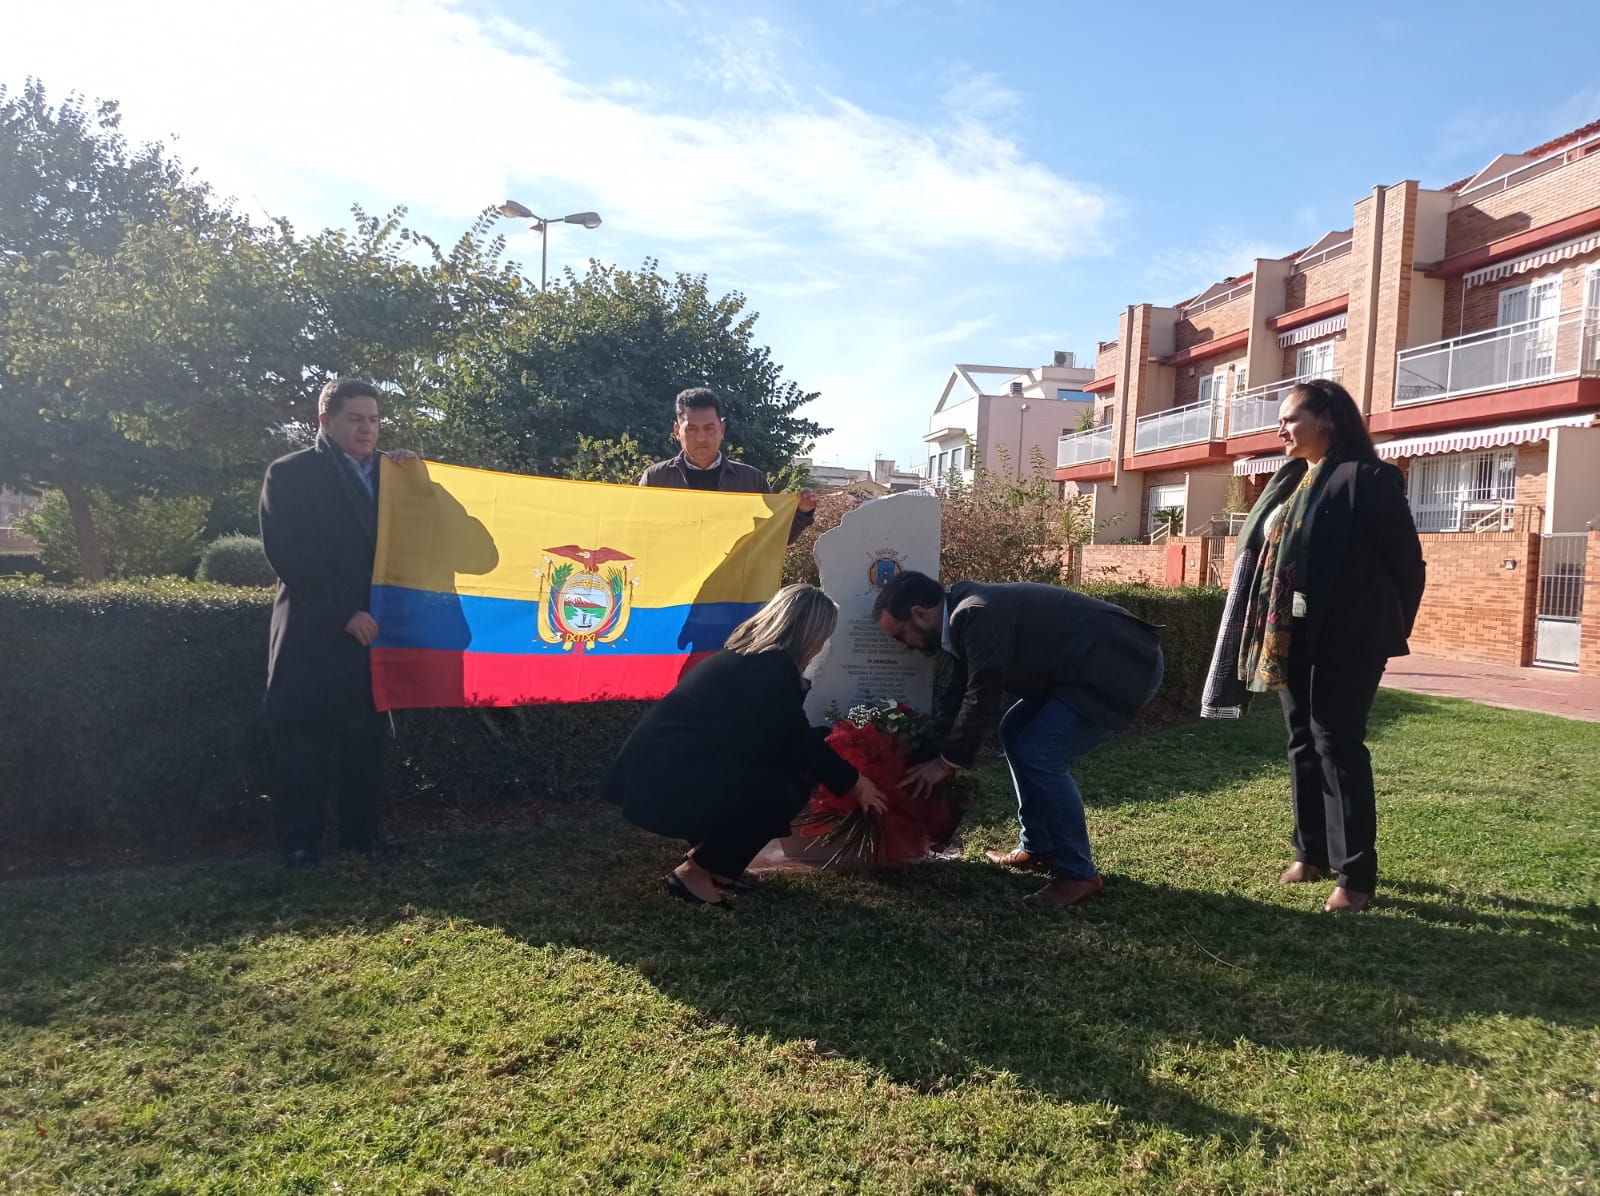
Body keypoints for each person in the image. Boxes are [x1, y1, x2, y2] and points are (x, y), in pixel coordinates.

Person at [1202, 378, 1424, 913]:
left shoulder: (1367, 479)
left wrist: (1382, 630)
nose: (1280, 428)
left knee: (1338, 746)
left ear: (1326, 417)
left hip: (1348, 638)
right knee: (1302, 740)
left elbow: (1407, 567)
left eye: (1290, 418)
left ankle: (1356, 877)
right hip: (1288, 633)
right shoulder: (1291, 482)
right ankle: (1311, 852)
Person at [873, 572, 1165, 908]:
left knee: (1040, 753)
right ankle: (1038, 847)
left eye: (900, 635)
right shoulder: (962, 615)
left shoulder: (976, 613)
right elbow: (960, 691)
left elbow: (982, 697)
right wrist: (929, 743)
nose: (904, 646)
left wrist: (944, 764)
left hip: (1121, 665)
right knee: (1014, 730)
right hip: (1080, 670)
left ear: (920, 613)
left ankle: (1078, 873)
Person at [603, 584, 887, 906]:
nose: (824, 644)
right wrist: (855, 782)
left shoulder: (752, 659)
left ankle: (720, 865)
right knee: (785, 789)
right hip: (669, 780)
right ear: (809, 631)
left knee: (780, 775)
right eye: (825, 634)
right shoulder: (772, 668)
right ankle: (694, 872)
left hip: (667, 771)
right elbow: (795, 740)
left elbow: (780, 735)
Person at [258, 377, 417, 866]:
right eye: (355, 419)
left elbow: (435, 535)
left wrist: (422, 482)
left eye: (373, 420)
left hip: (375, 633)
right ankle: (300, 844)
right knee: (303, 741)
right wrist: (343, 613)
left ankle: (361, 837)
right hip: (313, 630)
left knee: (364, 741)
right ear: (325, 421)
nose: (367, 429)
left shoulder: (395, 475)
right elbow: (287, 553)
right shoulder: (288, 474)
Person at [639, 387, 818, 544]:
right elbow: (636, 535)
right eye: (691, 429)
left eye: (709, 429)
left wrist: (802, 512)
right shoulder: (656, 479)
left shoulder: (751, 481)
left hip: (734, 581)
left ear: (722, 430)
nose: (701, 438)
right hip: (675, 580)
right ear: (677, 431)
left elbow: (773, 538)